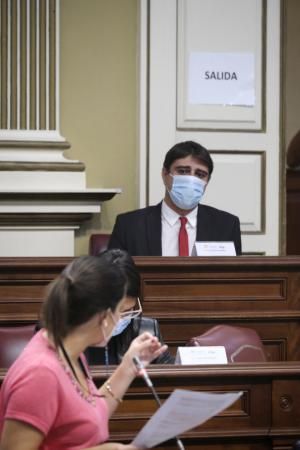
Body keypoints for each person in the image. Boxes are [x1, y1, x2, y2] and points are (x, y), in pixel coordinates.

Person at [0, 256, 167, 450]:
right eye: (121, 310)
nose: (123, 319)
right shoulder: (39, 374)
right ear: (104, 317)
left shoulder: (69, 352)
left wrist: (130, 365)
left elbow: (91, 413)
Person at [108, 140, 242, 256]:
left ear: (207, 182)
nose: (191, 179)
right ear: (165, 174)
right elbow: (115, 278)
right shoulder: (129, 225)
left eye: (200, 174)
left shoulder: (227, 225)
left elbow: (233, 280)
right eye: (183, 171)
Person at [85, 249, 174, 365]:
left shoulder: (147, 330)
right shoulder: (74, 335)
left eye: (127, 311)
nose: (119, 319)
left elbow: (169, 371)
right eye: (114, 311)